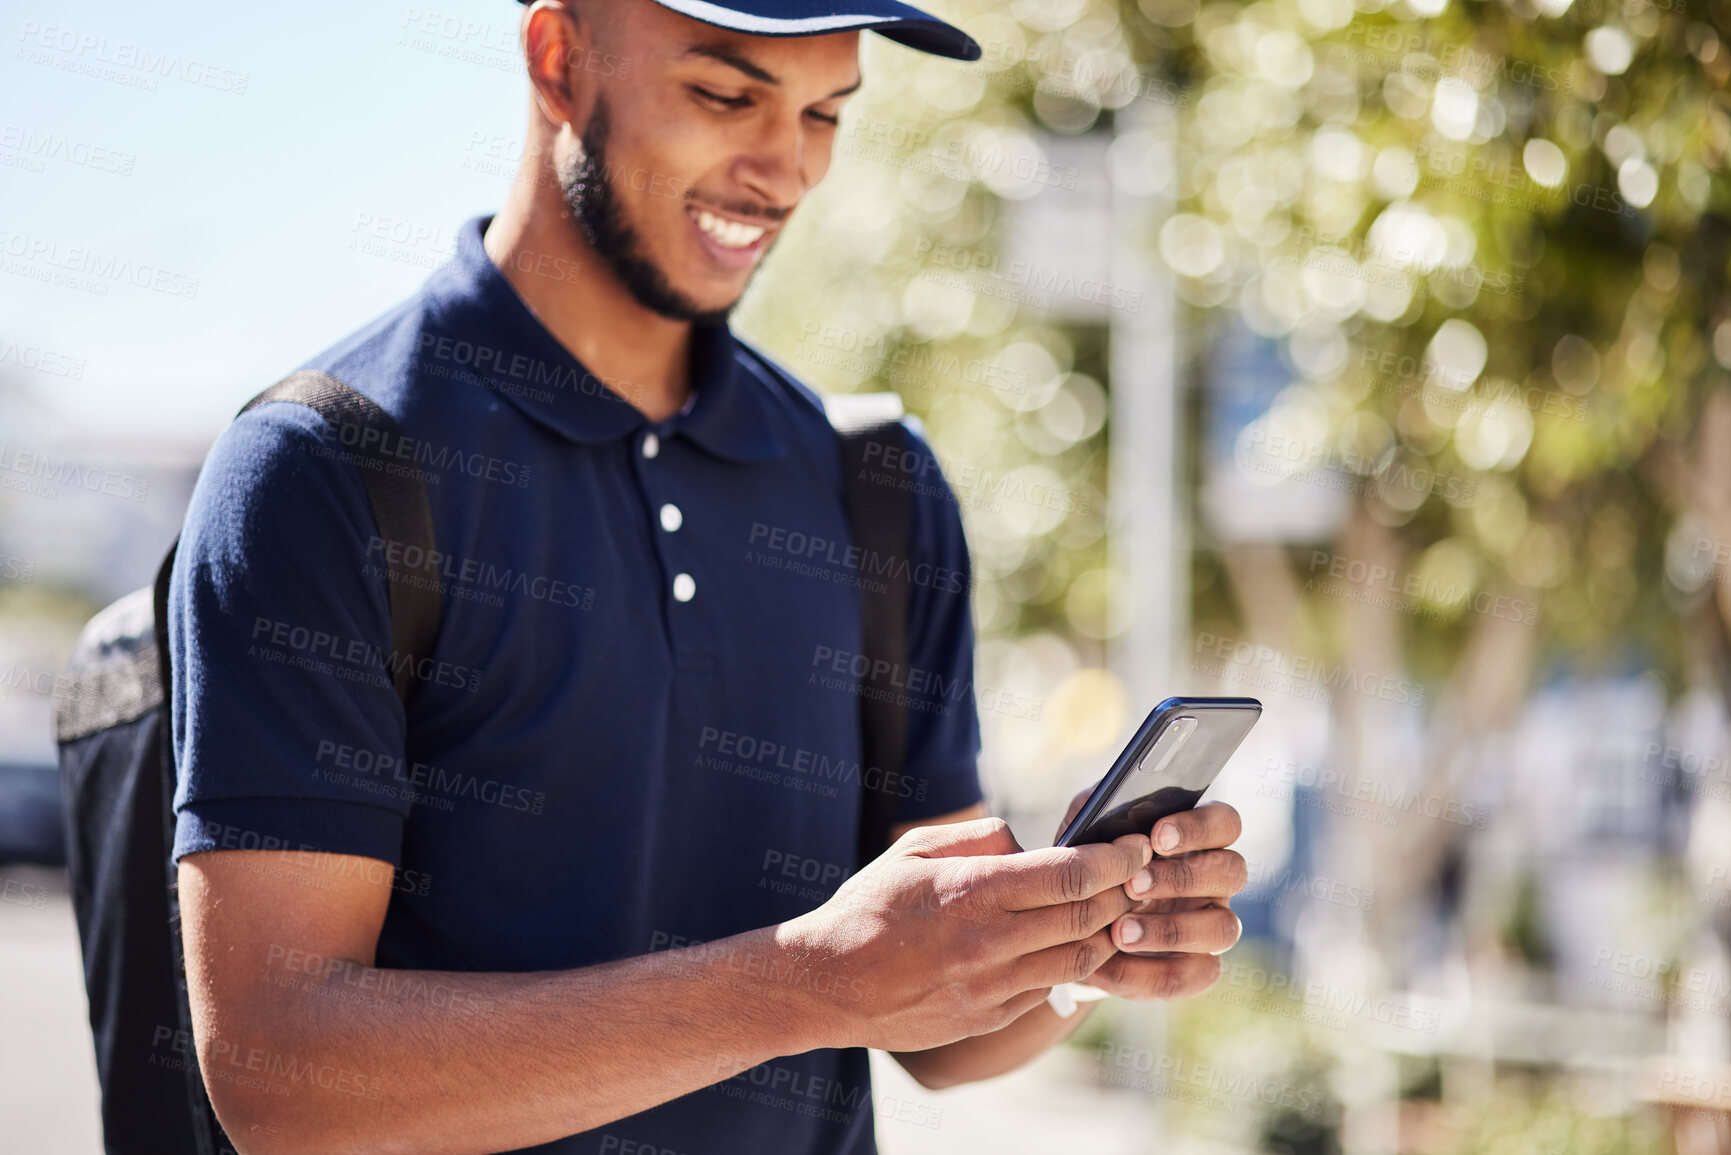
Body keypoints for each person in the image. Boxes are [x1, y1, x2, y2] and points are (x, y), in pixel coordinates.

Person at [169, 1, 1248, 1152]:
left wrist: (1082, 940)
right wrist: (806, 984)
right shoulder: (329, 467)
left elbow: (938, 1033)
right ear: (557, 60)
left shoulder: (877, 486)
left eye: (826, 111)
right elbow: (282, 1077)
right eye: (726, 97)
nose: (783, 170)